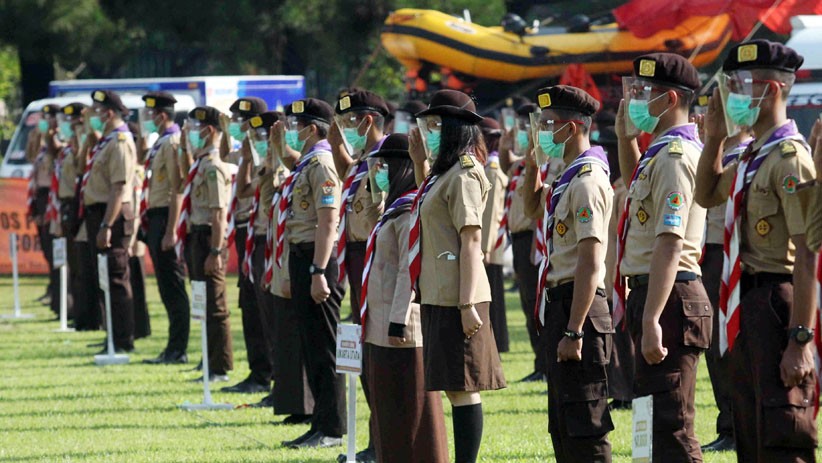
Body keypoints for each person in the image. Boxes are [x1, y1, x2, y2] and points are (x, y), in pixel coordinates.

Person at [695, 40, 817, 463]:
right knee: (749, 424)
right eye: (732, 84)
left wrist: (800, 338)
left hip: (778, 300)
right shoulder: (752, 156)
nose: (733, 94)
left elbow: (808, 254)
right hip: (743, 300)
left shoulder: (789, 158)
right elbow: (707, 193)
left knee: (782, 424)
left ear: (773, 90)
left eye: (744, 85)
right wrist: (714, 138)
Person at [614, 54, 710, 462]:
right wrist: (625, 138)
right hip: (653, 292)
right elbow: (638, 193)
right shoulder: (658, 153)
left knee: (672, 425)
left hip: (669, 298)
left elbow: (670, 241)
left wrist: (652, 317)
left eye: (642, 93)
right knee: (649, 422)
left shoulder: (675, 156)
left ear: (669, 99)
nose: (633, 101)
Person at [409, 89, 507, 463]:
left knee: (463, 386)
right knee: (453, 385)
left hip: (458, 294)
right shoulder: (444, 173)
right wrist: (419, 162)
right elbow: (430, 213)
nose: (429, 132)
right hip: (439, 290)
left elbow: (471, 240)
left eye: (436, 126)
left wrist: (467, 305)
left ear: (454, 129)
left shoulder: (465, 173)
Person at [522, 86, 615, 462]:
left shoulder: (588, 181)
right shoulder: (567, 177)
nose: (542, 132)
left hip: (581, 310)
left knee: (585, 424)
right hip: (561, 304)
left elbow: (590, 262)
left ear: (572, 127)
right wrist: (532, 162)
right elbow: (532, 207)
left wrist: (574, 330)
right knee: (562, 423)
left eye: (548, 125)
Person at [360, 133, 449, 463]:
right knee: (388, 413)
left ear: (401, 168)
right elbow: (368, 229)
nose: (378, 172)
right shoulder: (393, 208)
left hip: (401, 327)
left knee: (414, 411)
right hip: (379, 323)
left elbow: (406, 269)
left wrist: (397, 320)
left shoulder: (410, 209)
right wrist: (374, 190)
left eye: (384, 167)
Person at [276, 98, 346, 449]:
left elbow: (328, 221)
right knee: (311, 345)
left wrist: (319, 271)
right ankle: (320, 422)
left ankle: (332, 428)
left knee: (324, 347)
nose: (292, 130)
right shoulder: (308, 162)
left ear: (313, 129)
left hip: (317, 260)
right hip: (302, 256)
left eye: (296, 125)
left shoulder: (322, 164)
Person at [330, 89, 389, 462]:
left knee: (377, 353)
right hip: (356, 260)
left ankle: (380, 442)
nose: (344, 129)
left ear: (368, 121)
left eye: (349, 122)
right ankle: (374, 441)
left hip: (375, 259)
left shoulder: (385, 161)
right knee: (365, 352)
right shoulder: (362, 162)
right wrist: (336, 131)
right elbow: (344, 167)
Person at [695, 114, 752, 452]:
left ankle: (738, 424)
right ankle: (728, 422)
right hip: (709, 256)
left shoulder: (745, 156)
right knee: (715, 348)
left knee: (730, 345)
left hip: (732, 255)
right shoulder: (715, 154)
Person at [178, 106, 234, 382]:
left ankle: (219, 366)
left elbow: (219, 213)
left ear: (208, 130)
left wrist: (215, 250)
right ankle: (207, 358)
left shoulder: (213, 167)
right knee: (202, 301)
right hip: (196, 235)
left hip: (208, 237)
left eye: (193, 129)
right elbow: (183, 182)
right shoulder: (200, 163)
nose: (189, 134)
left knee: (215, 304)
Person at [221, 96, 272, 394]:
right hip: (246, 232)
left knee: (262, 304)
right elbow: (225, 154)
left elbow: (248, 189)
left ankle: (266, 372)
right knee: (249, 302)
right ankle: (258, 370)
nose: (235, 126)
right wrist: (229, 133)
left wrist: (252, 153)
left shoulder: (264, 153)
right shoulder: (245, 152)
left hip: (261, 232)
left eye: (239, 121)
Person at [80, 90, 138, 353]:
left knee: (116, 278)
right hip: (100, 214)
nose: (90, 114)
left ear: (108, 113)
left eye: (95, 110)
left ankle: (122, 340)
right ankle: (112, 335)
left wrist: (106, 225)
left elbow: (118, 188)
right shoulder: (107, 141)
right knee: (104, 278)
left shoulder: (120, 142)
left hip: (111, 215)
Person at [497, 102, 549, 381]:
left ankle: (546, 364)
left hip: (533, 239)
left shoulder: (543, 162)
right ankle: (540, 363)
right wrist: (505, 145)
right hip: (517, 239)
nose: (522, 132)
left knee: (537, 304)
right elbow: (508, 166)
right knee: (528, 304)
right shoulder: (521, 165)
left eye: (526, 126)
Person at [137, 92, 190, 364]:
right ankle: (172, 346)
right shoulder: (160, 142)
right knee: (165, 287)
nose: (146, 119)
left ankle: (178, 349)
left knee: (173, 285)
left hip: (166, 217)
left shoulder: (172, 142)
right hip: (155, 216)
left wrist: (171, 231)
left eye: (149, 114)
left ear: (160, 115)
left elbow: (177, 188)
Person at [598, 124, 634, 411]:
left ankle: (628, 391)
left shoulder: (624, 191)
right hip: (609, 273)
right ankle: (620, 390)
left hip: (622, 276)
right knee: (616, 338)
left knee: (625, 337)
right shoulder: (613, 188)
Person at [53, 103, 86, 327]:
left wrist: (78, 136)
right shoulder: (66, 148)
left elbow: (81, 167)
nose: (68, 126)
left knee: (80, 265)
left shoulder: (82, 143)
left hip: (77, 204)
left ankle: (84, 313)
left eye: (73, 121)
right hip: (65, 204)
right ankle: (77, 311)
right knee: (72, 263)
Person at [479, 117, 509, 353]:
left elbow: (490, 213)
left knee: (493, 296)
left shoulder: (492, 169)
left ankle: (498, 342)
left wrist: (485, 248)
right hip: (487, 241)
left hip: (490, 243)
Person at [30, 104, 60, 315]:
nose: (45, 121)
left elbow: (54, 154)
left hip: (52, 195)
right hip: (40, 196)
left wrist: (49, 134)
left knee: (53, 245)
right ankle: (52, 287)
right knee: (46, 246)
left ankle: (57, 290)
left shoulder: (57, 141)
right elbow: (30, 155)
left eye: (49, 117)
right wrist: (36, 134)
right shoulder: (41, 144)